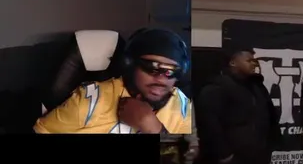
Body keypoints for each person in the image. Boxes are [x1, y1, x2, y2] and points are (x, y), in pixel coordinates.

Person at [35, 28, 194, 135]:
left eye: (171, 72)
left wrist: (155, 129)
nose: (161, 79)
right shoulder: (90, 102)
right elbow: (42, 131)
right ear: (129, 65)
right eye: (152, 67)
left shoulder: (183, 107)